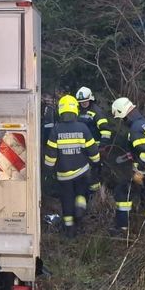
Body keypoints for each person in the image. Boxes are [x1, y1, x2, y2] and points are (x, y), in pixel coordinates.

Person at [43, 95, 101, 237]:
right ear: (75, 109)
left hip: (63, 176)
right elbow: (93, 151)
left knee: (66, 200)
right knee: (81, 192)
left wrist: (48, 171)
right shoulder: (83, 127)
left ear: (61, 111)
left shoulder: (56, 130)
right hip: (82, 172)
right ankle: (80, 208)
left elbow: (51, 156)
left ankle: (69, 230)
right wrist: (96, 162)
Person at [110, 97, 145, 233]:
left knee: (122, 192)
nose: (122, 122)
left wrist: (139, 172)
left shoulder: (135, 129)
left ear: (124, 114)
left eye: (121, 118)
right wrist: (132, 154)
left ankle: (122, 228)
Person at [75, 86, 111, 197]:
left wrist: (102, 147)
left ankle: (95, 198)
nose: (83, 103)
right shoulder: (77, 111)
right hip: (80, 149)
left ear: (90, 99)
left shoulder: (97, 112)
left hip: (94, 149)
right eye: (81, 102)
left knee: (93, 176)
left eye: (85, 101)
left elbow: (106, 131)